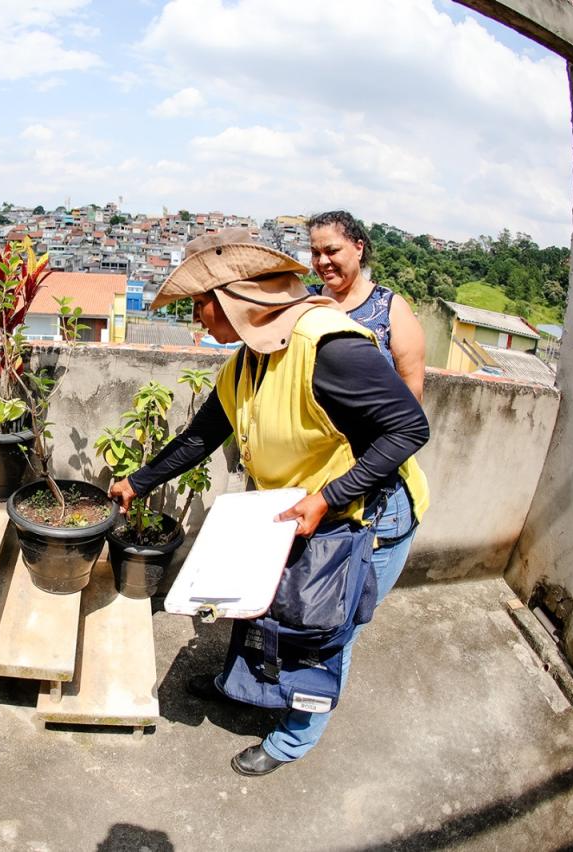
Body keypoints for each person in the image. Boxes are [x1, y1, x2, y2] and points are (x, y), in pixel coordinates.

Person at [109, 229, 430, 776]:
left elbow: (409, 429)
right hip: (299, 514)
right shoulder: (249, 359)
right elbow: (202, 435)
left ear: (231, 299)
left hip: (366, 518)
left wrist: (329, 497)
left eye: (199, 304)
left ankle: (293, 738)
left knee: (323, 633)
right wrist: (138, 482)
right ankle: (239, 685)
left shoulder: (329, 347)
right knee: (267, 610)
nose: (196, 318)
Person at [306, 211, 427, 401]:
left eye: (332, 251)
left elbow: (412, 393)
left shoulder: (389, 308)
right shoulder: (306, 300)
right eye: (316, 253)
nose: (322, 261)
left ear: (358, 248)